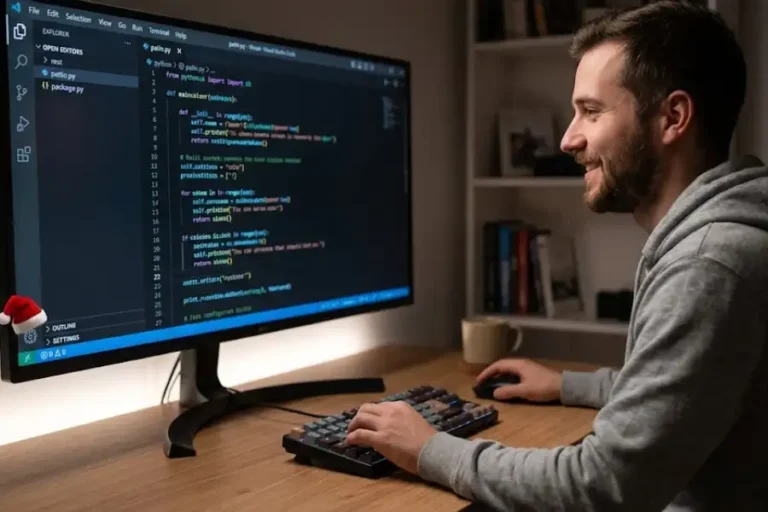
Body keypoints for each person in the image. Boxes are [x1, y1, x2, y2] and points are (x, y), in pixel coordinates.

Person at [345, 1, 768, 510]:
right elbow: (686, 395)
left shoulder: (707, 265)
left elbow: (601, 485)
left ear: (673, 118)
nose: (568, 139)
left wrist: (431, 449)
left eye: (591, 111)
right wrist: (568, 384)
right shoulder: (724, 238)